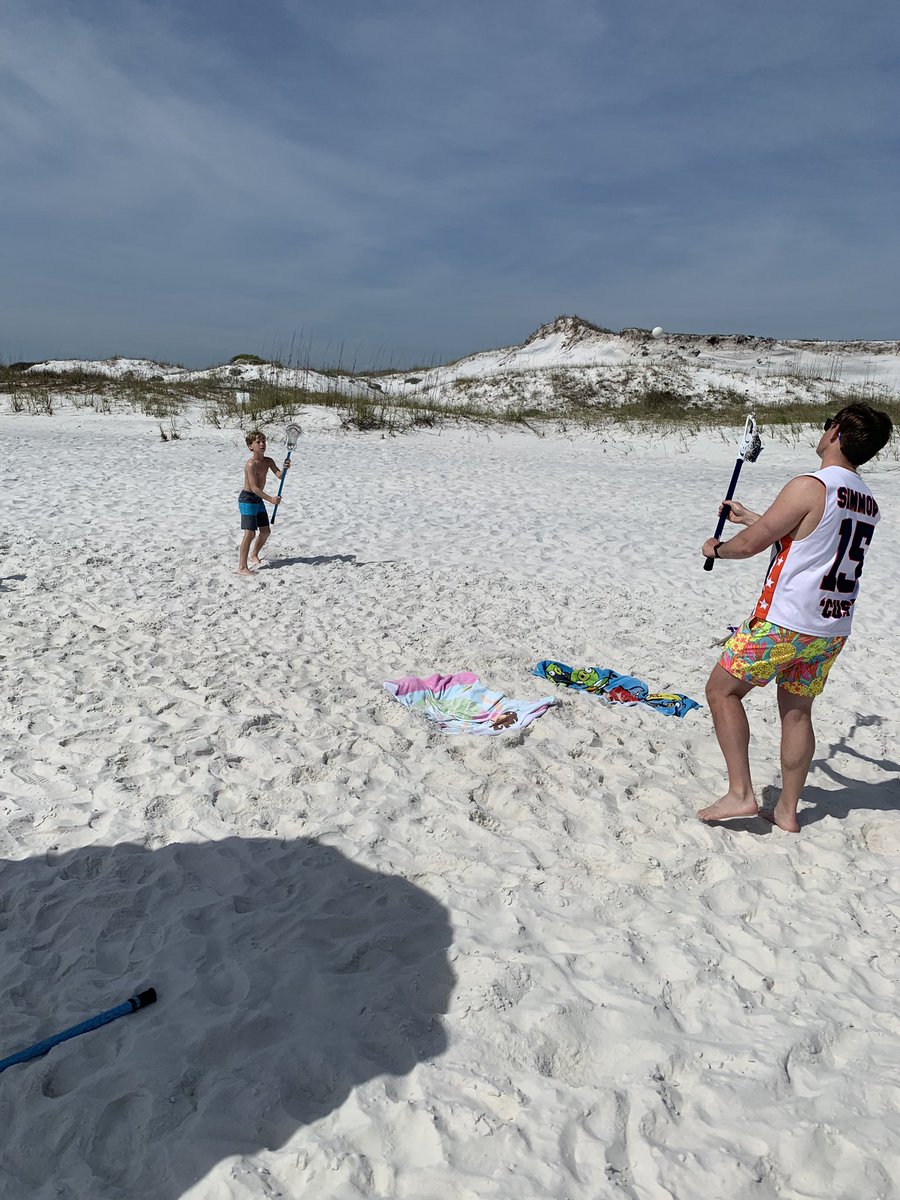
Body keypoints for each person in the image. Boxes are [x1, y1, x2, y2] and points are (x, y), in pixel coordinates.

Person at [698, 401, 893, 832]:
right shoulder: (867, 500)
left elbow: (751, 545)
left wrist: (718, 549)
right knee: (798, 712)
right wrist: (753, 518)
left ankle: (741, 793)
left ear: (836, 432)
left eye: (827, 426)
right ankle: (786, 811)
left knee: (722, 691)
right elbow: (810, 537)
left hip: (785, 621)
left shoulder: (811, 485)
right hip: (831, 626)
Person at [237, 430, 290, 577]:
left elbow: (280, 476)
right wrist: (271, 499)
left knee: (265, 531)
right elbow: (254, 488)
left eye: (263, 441)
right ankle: (242, 567)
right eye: (258, 442)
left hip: (258, 499)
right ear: (250, 446)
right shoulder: (250, 465)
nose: (262, 444)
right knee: (250, 533)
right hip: (248, 499)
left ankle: (254, 554)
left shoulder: (268, 461)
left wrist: (285, 468)